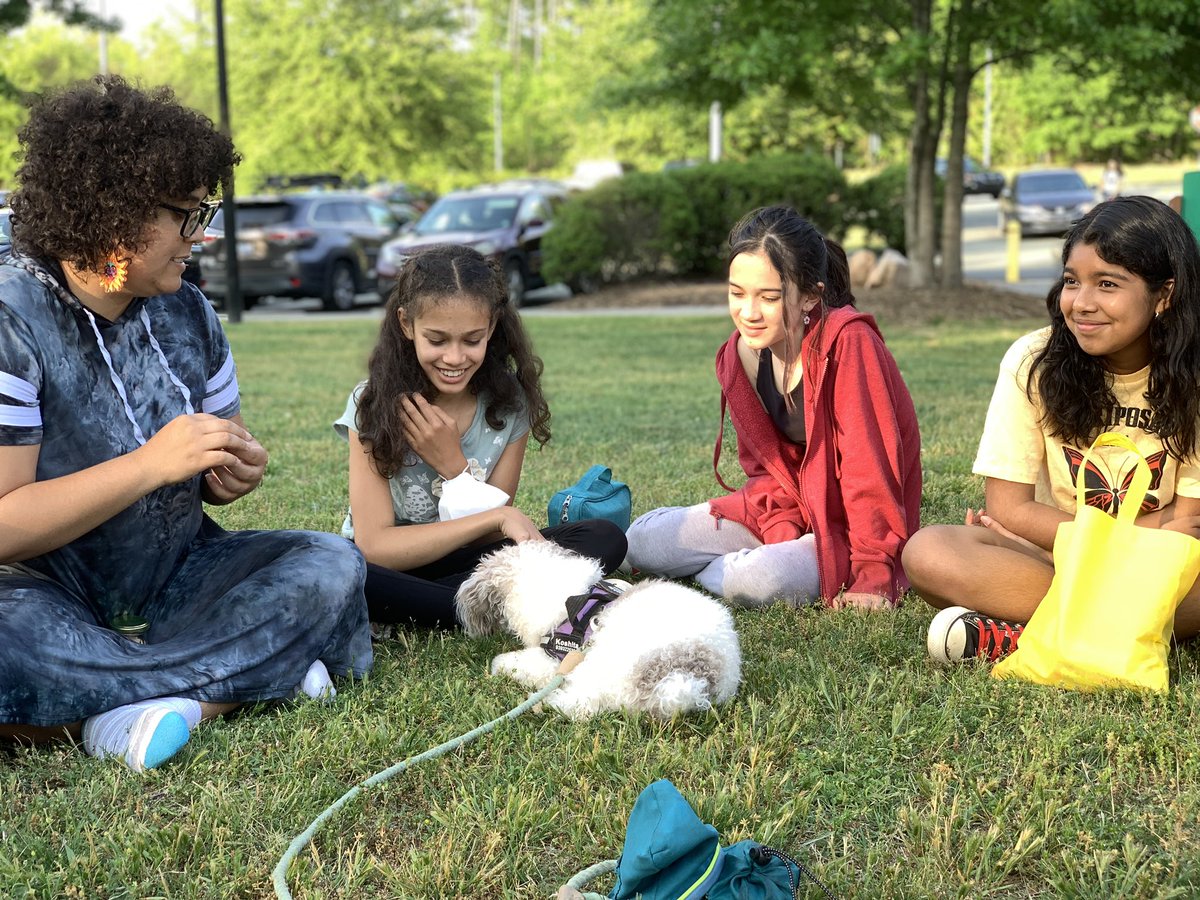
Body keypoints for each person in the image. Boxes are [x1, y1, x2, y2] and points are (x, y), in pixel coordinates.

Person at [0, 76, 372, 773]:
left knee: (330, 564)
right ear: (113, 212)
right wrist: (148, 464)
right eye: (187, 214)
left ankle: (124, 705)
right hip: (37, 593)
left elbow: (215, 463)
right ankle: (246, 683)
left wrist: (233, 471)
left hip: (177, 577)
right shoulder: (10, 317)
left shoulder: (188, 313)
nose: (203, 233)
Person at [905, 196, 1200, 664]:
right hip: (1055, 558)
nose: (1082, 304)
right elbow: (1008, 508)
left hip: (1151, 566)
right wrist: (1150, 527)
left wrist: (1032, 533)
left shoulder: (1193, 377)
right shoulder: (1033, 361)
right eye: (1071, 282)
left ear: (1164, 295)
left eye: (1107, 284)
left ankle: (1025, 636)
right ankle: (1116, 629)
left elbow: (1189, 531)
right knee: (929, 552)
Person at [624, 206, 922, 610]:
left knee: (761, 581)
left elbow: (869, 469)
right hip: (782, 512)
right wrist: (781, 528)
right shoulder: (740, 355)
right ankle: (732, 565)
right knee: (642, 543)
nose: (748, 313)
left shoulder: (849, 344)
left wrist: (873, 573)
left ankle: (726, 569)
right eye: (737, 293)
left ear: (810, 297)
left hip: (845, 527)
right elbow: (766, 470)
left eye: (768, 297)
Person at [335, 243, 626, 628]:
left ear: (490, 327)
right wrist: (500, 515)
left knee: (602, 538)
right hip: (388, 569)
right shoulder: (372, 403)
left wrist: (455, 469)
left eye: (471, 340)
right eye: (437, 340)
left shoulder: (509, 405)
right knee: (344, 570)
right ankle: (483, 607)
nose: (455, 358)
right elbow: (374, 547)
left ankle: (447, 609)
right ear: (407, 325)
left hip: (465, 561)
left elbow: (484, 543)